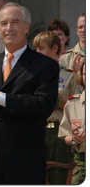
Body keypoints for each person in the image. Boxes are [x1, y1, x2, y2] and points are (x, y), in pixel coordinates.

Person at [0, 2, 59, 184]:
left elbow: (42, 106)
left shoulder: (45, 66)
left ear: (26, 27)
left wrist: (0, 98)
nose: (8, 28)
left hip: (24, 165)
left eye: (15, 22)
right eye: (3, 23)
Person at [33, 31, 78, 184]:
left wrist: (59, 103)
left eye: (41, 48)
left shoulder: (69, 76)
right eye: (36, 49)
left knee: (59, 176)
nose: (37, 53)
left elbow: (77, 110)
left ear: (55, 48)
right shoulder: (30, 76)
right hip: (36, 130)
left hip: (58, 132)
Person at [58, 62, 85, 185]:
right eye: (85, 73)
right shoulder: (72, 103)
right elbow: (65, 135)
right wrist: (75, 139)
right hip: (82, 162)